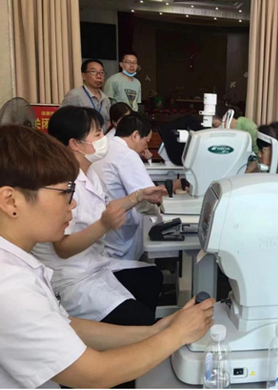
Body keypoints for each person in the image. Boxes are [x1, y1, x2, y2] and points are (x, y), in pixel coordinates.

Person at [0, 124, 214, 388]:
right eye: (64, 193)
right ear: (10, 201)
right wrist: (177, 335)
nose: (73, 203)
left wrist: (157, 330)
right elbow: (93, 374)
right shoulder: (9, 286)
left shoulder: (17, 263)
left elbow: (65, 326)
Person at [31, 106, 167, 327]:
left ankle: (132, 336)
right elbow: (62, 248)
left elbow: (107, 206)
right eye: (97, 134)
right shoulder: (59, 182)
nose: (104, 139)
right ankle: (130, 341)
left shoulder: (89, 172)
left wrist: (139, 195)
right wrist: (104, 225)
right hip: (71, 278)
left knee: (151, 277)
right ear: (75, 143)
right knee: (139, 317)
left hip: (93, 264)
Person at [92, 113, 173, 260]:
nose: (145, 147)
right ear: (135, 135)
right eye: (146, 141)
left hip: (104, 230)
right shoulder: (127, 155)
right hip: (121, 237)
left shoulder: (107, 147)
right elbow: (147, 198)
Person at [62, 59, 111, 129]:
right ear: (83, 75)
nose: (99, 76)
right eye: (93, 72)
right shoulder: (74, 95)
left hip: (101, 138)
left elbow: (108, 122)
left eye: (101, 72)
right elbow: (62, 119)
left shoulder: (106, 99)